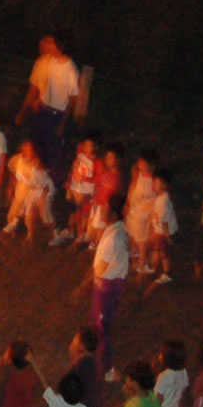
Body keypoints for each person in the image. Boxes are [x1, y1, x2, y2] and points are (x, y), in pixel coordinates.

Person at [19, 34, 81, 179]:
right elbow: (44, 85)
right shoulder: (51, 61)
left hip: (56, 115)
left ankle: (47, 187)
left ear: (60, 46)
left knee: (51, 153)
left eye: (53, 43)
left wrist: (63, 123)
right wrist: (39, 100)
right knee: (34, 147)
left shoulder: (70, 70)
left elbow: (73, 100)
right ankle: (29, 180)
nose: (49, 46)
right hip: (44, 110)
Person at [91, 195, 132, 379]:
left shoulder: (112, 238)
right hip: (113, 284)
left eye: (105, 207)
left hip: (106, 288)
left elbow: (100, 268)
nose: (102, 210)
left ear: (114, 213)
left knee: (102, 328)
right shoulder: (120, 230)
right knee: (101, 326)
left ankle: (107, 369)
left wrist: (90, 281)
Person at [51, 136, 99, 247]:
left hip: (85, 191)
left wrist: (85, 179)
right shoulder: (80, 156)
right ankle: (72, 231)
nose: (85, 148)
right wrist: (70, 180)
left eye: (88, 146)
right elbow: (74, 169)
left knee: (81, 212)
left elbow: (97, 178)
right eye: (84, 145)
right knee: (74, 210)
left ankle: (80, 234)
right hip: (75, 187)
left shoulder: (96, 161)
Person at [1, 140, 54, 239]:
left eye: (29, 149)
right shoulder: (18, 159)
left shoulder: (37, 163)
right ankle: (13, 228)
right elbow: (13, 174)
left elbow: (42, 180)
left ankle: (32, 233)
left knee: (31, 216)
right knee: (14, 211)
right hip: (21, 190)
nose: (26, 151)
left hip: (33, 192)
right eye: (24, 148)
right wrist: (11, 187)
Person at [125, 152, 159, 276]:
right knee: (133, 233)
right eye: (140, 162)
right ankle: (135, 254)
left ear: (151, 166)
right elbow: (133, 188)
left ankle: (143, 260)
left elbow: (155, 196)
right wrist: (129, 202)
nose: (140, 165)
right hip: (135, 210)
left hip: (144, 213)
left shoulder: (153, 180)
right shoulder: (138, 175)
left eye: (143, 163)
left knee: (142, 237)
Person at [149, 170, 179, 285]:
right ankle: (155, 268)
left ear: (164, 185)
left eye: (156, 182)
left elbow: (164, 221)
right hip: (159, 231)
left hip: (163, 232)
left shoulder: (164, 201)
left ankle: (167, 273)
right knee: (159, 250)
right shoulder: (160, 197)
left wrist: (167, 236)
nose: (154, 185)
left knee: (164, 253)